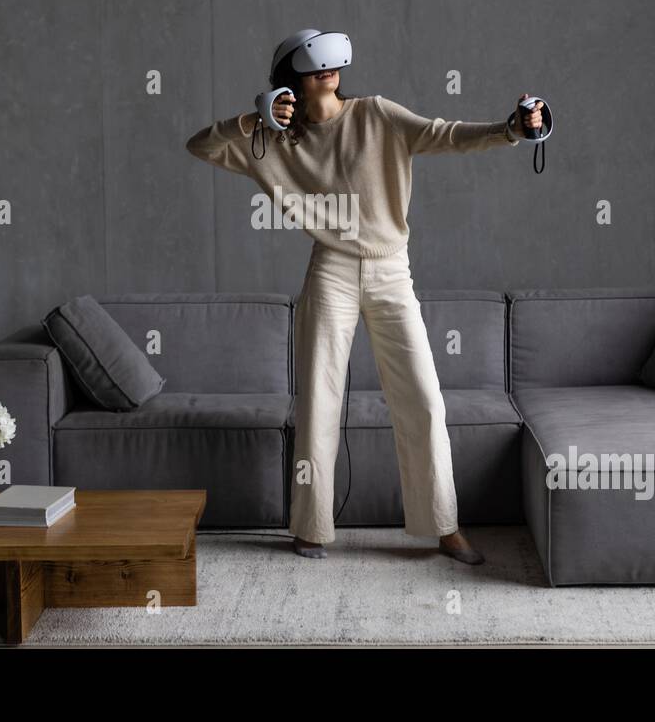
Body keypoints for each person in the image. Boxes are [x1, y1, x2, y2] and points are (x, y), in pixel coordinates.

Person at [185, 32, 544, 564]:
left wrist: (511, 129)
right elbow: (201, 146)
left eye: (331, 64)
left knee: (423, 400)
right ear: (292, 79)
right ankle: (309, 527)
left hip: (390, 270)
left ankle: (444, 526)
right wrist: (250, 120)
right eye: (312, 67)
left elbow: (442, 135)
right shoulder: (273, 139)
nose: (326, 70)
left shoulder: (375, 115)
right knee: (319, 400)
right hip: (329, 270)